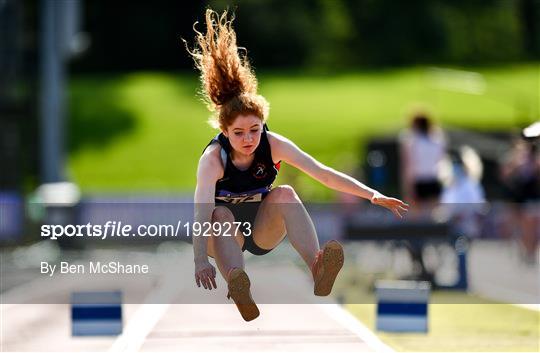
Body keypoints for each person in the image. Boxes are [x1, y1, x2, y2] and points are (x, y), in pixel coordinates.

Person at [186, 9, 409, 321]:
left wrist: (372, 195)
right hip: (223, 236)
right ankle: (239, 284)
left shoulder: (272, 143)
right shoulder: (212, 160)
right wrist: (199, 260)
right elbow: (201, 214)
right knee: (220, 213)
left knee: (286, 193)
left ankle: (317, 267)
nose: (248, 139)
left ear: (263, 125)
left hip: (262, 228)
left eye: (254, 130)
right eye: (238, 133)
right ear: (224, 132)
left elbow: (322, 174)